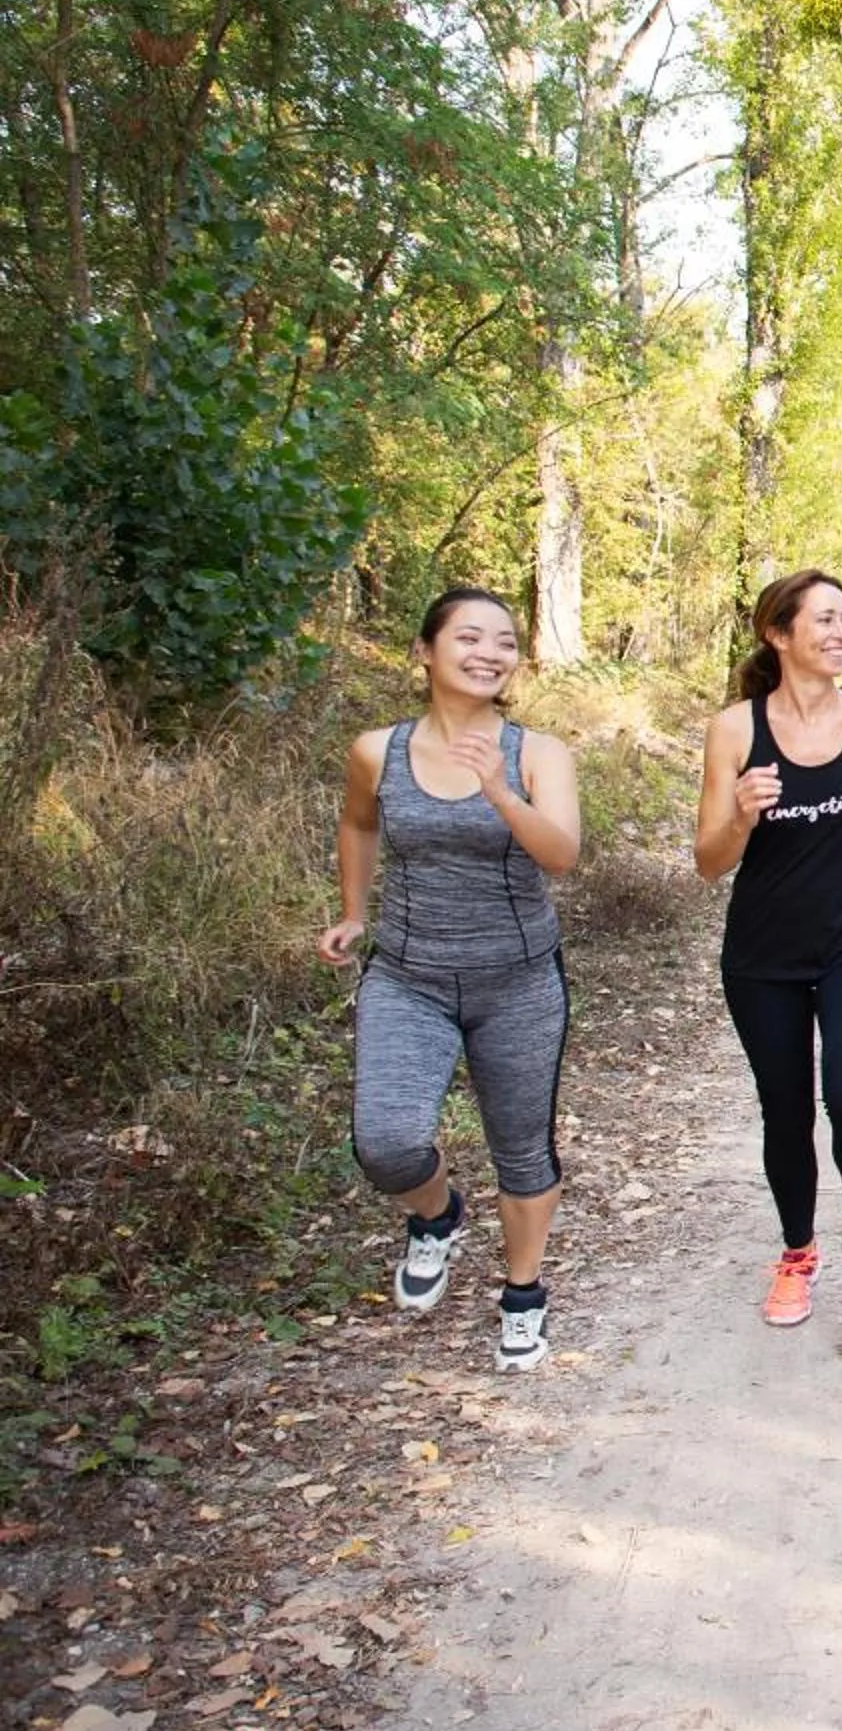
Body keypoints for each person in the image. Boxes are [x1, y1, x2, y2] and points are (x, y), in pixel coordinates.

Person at [318, 587, 583, 1373]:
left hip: (519, 980)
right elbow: (360, 822)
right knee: (387, 1143)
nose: (489, 653)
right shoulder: (379, 749)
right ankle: (435, 1217)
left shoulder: (538, 753)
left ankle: (523, 1295)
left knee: (522, 1150)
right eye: (469, 638)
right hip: (408, 976)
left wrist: (500, 791)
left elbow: (561, 855)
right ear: (425, 652)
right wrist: (352, 910)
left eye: (504, 642)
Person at [693, 570, 842, 1328]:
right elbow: (708, 860)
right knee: (785, 1112)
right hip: (763, 954)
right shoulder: (735, 730)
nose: (840, 633)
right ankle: (797, 1253)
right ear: (778, 632)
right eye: (823, 620)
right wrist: (741, 816)